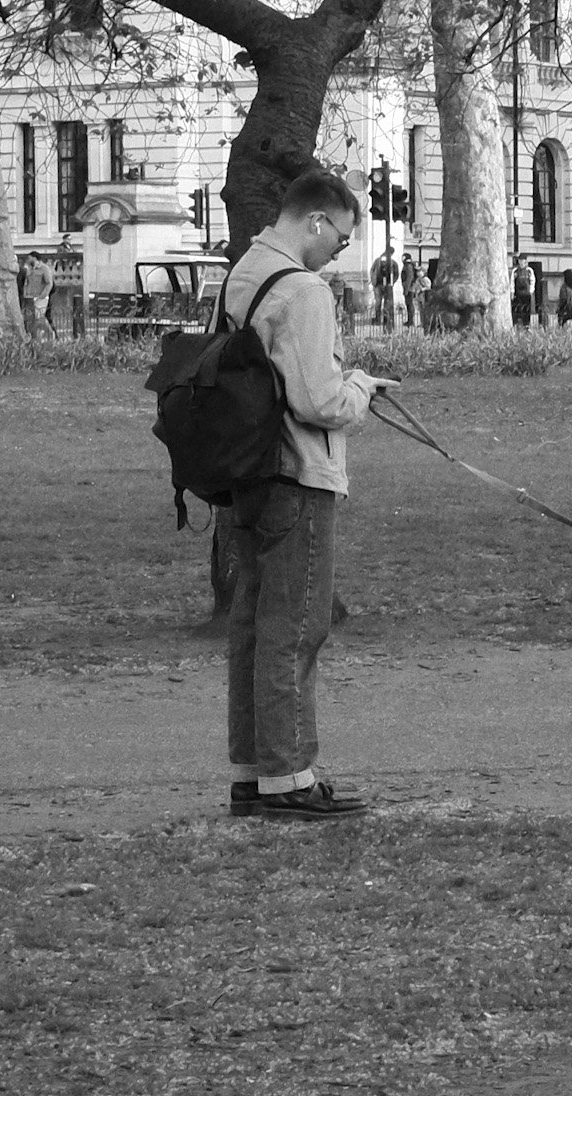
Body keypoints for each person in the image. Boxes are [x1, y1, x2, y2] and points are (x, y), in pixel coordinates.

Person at [220, 170, 401, 822]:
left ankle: (254, 771)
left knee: (252, 628)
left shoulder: (246, 272)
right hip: (297, 474)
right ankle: (289, 778)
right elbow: (319, 400)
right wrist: (360, 386)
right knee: (295, 628)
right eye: (344, 237)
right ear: (317, 220)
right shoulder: (304, 291)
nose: (342, 251)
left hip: (244, 473)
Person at [18, 253, 53, 340]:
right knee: (30, 318)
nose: (28, 259)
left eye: (30, 258)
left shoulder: (44, 268)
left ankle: (50, 333)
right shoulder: (29, 268)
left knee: (39, 317)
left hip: (40, 297)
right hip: (30, 297)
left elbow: (49, 283)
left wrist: (42, 296)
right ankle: (34, 336)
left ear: (35, 258)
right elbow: (27, 283)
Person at [512, 255, 538, 328]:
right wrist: (512, 291)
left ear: (525, 261)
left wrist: (531, 290)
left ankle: (526, 324)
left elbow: (532, 281)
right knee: (517, 309)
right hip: (518, 293)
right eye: (520, 261)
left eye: (523, 261)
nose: (521, 262)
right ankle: (517, 323)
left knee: (527, 309)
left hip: (526, 293)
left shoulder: (529, 270)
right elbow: (512, 282)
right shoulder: (515, 271)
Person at [399, 253, 420, 326]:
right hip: (410, 288)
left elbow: (409, 278)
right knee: (409, 304)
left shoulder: (408, 266)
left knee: (409, 304)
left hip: (410, 288)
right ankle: (410, 320)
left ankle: (411, 321)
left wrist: (406, 290)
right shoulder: (408, 265)